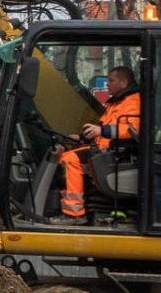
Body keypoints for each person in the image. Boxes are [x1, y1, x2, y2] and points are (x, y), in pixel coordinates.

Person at [55, 66, 142, 225]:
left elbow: (132, 131)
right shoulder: (117, 102)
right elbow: (103, 130)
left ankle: (74, 213)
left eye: (111, 80)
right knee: (64, 152)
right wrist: (81, 138)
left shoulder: (133, 101)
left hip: (117, 153)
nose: (107, 84)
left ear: (123, 82)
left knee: (70, 159)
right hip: (104, 150)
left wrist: (100, 130)